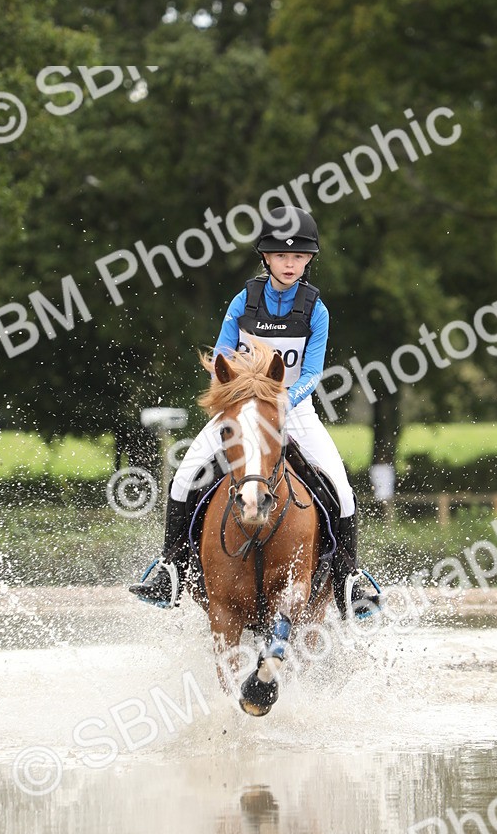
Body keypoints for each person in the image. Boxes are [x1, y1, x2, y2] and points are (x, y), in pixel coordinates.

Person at [131, 205, 381, 617]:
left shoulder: (316, 309)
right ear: (265, 257)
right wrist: (239, 397)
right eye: (281, 255)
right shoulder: (243, 300)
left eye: (298, 256)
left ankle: (348, 580)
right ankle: (170, 568)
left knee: (342, 489)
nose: (290, 263)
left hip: (294, 410)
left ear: (308, 260)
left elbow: (313, 372)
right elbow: (222, 359)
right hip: (244, 410)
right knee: (185, 474)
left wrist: (280, 401)